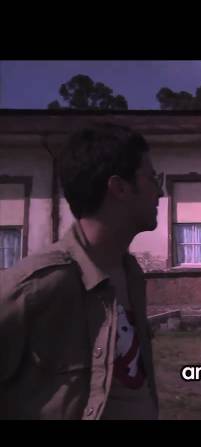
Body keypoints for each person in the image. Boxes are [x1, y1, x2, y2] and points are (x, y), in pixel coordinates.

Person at [0, 123, 164, 419]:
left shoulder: (131, 275)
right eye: (152, 178)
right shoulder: (36, 286)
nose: (160, 192)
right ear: (120, 188)